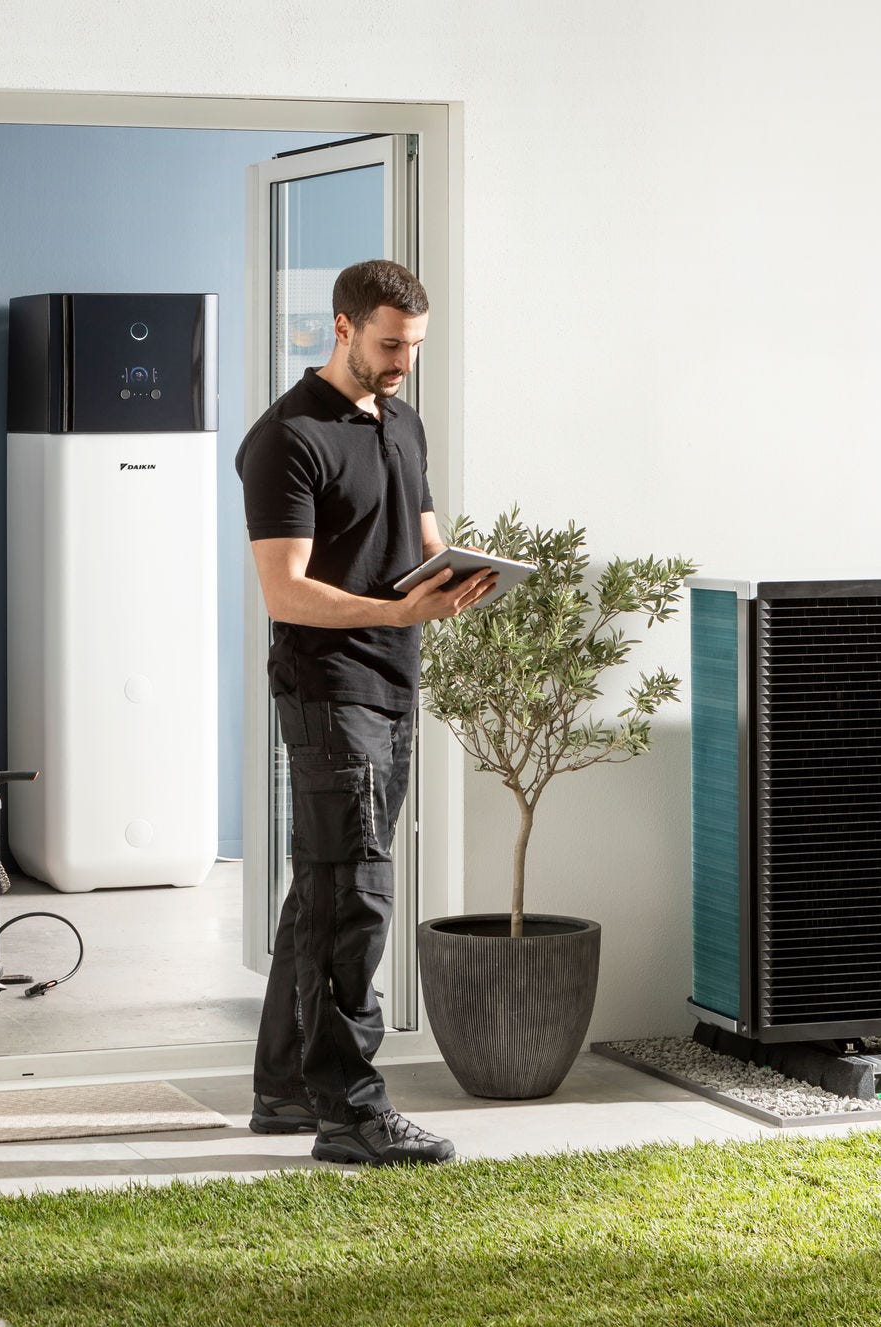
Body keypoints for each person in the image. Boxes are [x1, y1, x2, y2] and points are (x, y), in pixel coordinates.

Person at [236, 259, 493, 1165]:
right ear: (339, 327)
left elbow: (422, 543)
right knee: (358, 896)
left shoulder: (404, 421)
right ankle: (352, 1110)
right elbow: (287, 591)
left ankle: (283, 1090)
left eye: (415, 347)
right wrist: (395, 610)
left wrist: (456, 577)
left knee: (324, 889)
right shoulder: (287, 438)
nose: (403, 363)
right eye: (390, 345)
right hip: (327, 687)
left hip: (393, 682)